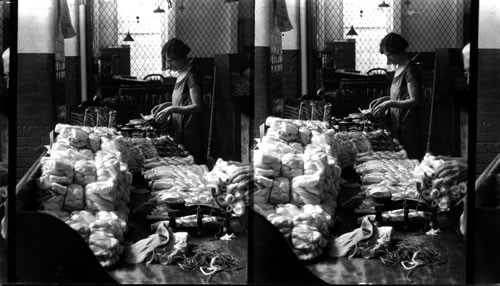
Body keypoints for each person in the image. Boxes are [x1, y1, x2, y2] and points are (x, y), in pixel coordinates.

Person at [370, 32, 425, 160]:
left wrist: (389, 103)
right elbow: (401, 96)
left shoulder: (410, 70)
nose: (388, 60)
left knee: (410, 161)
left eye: (389, 55)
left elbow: (415, 100)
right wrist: (385, 99)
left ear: (398, 51)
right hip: (397, 124)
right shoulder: (399, 68)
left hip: (409, 127)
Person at [151, 38, 205, 164]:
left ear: (180, 57)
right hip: (180, 130)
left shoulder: (192, 76)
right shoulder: (181, 74)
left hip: (192, 132)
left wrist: (172, 109)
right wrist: (167, 105)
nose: (169, 65)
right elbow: (184, 101)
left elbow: (197, 106)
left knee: (194, 166)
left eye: (170, 61)